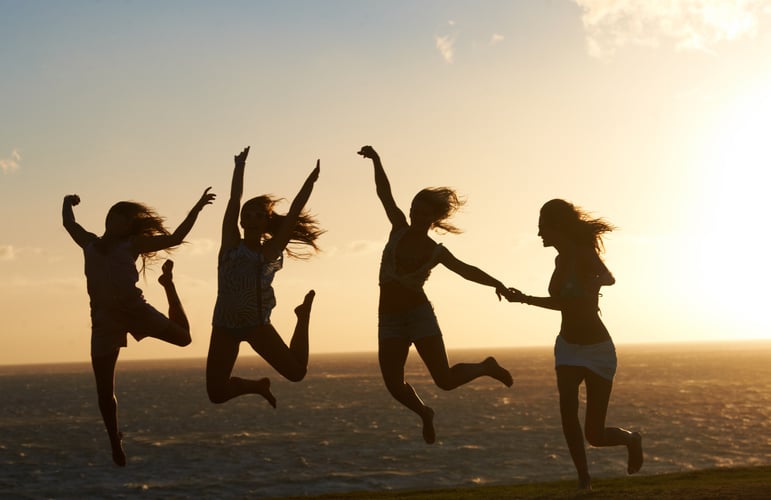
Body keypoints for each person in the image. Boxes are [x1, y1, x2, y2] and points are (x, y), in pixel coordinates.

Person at [357, 145, 514, 444]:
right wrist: (376, 160)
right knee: (393, 384)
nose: (416, 213)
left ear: (434, 217)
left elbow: (467, 270)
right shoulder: (398, 229)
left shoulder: (435, 251)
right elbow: (384, 193)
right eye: (415, 207)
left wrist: (498, 283)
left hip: (419, 316)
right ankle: (424, 413)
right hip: (389, 319)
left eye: (423, 211)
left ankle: (486, 366)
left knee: (444, 380)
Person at [62, 188, 216, 466]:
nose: (124, 224)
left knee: (184, 339)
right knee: (103, 389)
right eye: (121, 218)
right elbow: (69, 224)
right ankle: (114, 440)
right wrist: (66, 202)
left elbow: (176, 238)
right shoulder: (89, 243)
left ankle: (168, 286)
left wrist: (198, 207)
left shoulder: (132, 244)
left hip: (135, 311)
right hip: (104, 321)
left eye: (129, 222)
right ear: (110, 218)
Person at [507, 198, 642, 490]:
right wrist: (523, 298)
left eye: (543, 228)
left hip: (597, 349)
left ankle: (631, 440)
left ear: (557, 228)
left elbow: (609, 278)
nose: (540, 234)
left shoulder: (583, 253)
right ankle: (584, 478)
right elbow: (562, 304)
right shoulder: (558, 260)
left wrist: (592, 285)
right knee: (567, 413)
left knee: (594, 434)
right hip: (568, 346)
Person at [206, 146, 322, 408]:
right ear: (242, 220)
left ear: (266, 221)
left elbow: (293, 214)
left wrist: (310, 182)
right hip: (223, 324)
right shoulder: (230, 246)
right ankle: (256, 385)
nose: (251, 218)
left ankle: (302, 317)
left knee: (296, 373)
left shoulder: (267, 253)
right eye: (248, 215)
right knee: (216, 393)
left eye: (259, 215)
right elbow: (234, 200)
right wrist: (239, 166)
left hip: (255, 324)